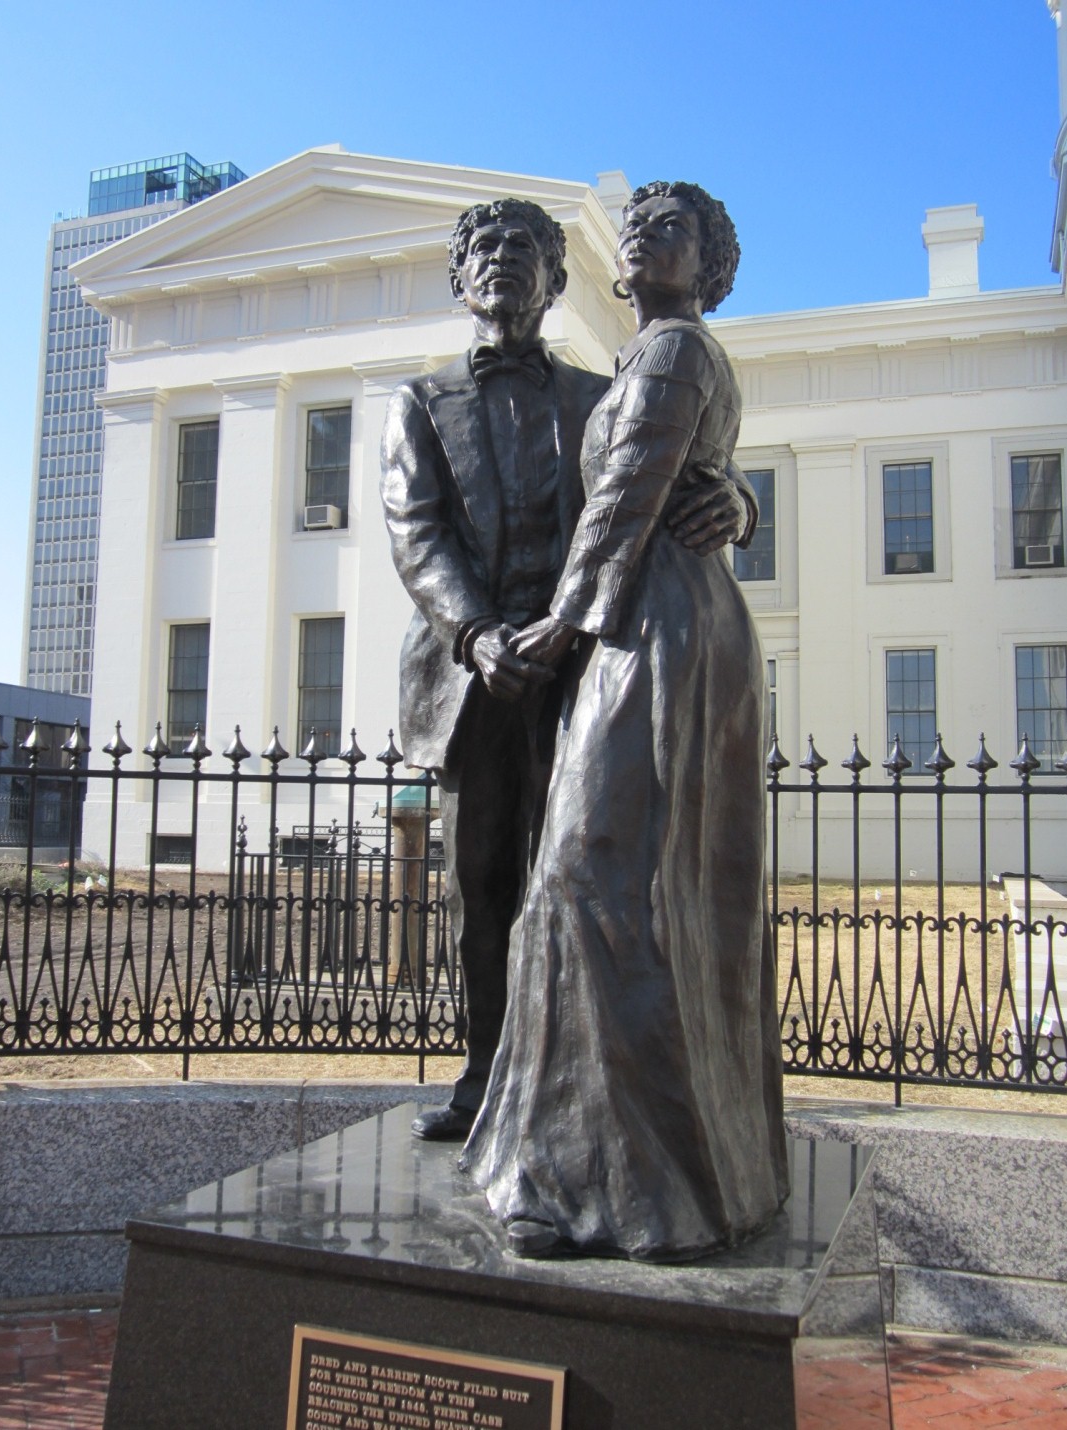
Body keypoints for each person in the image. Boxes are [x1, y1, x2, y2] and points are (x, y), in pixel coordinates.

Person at [461, 182, 789, 1260]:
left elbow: (623, 501)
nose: (649, 237)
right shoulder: (641, 363)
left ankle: (600, 1179)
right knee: (653, 895)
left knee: (588, 878)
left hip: (647, 625)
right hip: (650, 621)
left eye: (675, 229)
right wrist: (730, 493)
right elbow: (676, 465)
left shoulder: (670, 356)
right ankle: (673, 1172)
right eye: (638, 225)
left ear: (710, 265)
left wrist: (558, 629)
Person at [381, 198, 754, 1141]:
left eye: (525, 250)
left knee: (585, 889)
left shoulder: (602, 390)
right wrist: (475, 634)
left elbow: (667, 465)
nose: (502, 261)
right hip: (476, 680)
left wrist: (739, 502)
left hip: (585, 673)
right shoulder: (420, 403)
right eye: (484, 249)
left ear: (557, 281)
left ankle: (569, 1098)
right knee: (484, 888)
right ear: (460, 278)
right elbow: (415, 534)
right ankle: (483, 1084)